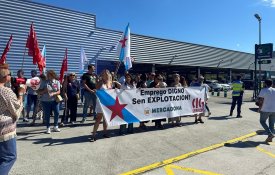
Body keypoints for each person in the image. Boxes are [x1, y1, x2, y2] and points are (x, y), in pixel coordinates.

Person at [0, 64, 25, 175]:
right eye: (10, 74)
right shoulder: (5, 91)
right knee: (9, 157)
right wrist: (21, 93)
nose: (11, 76)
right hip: (4, 128)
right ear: (5, 77)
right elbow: (16, 107)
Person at [91, 69, 121, 142]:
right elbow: (96, 89)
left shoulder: (110, 82)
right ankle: (93, 135)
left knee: (106, 119)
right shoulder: (100, 82)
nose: (106, 74)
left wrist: (115, 81)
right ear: (102, 75)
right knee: (98, 119)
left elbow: (120, 86)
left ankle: (105, 133)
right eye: (104, 73)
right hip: (101, 103)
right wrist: (95, 90)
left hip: (108, 103)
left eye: (107, 73)